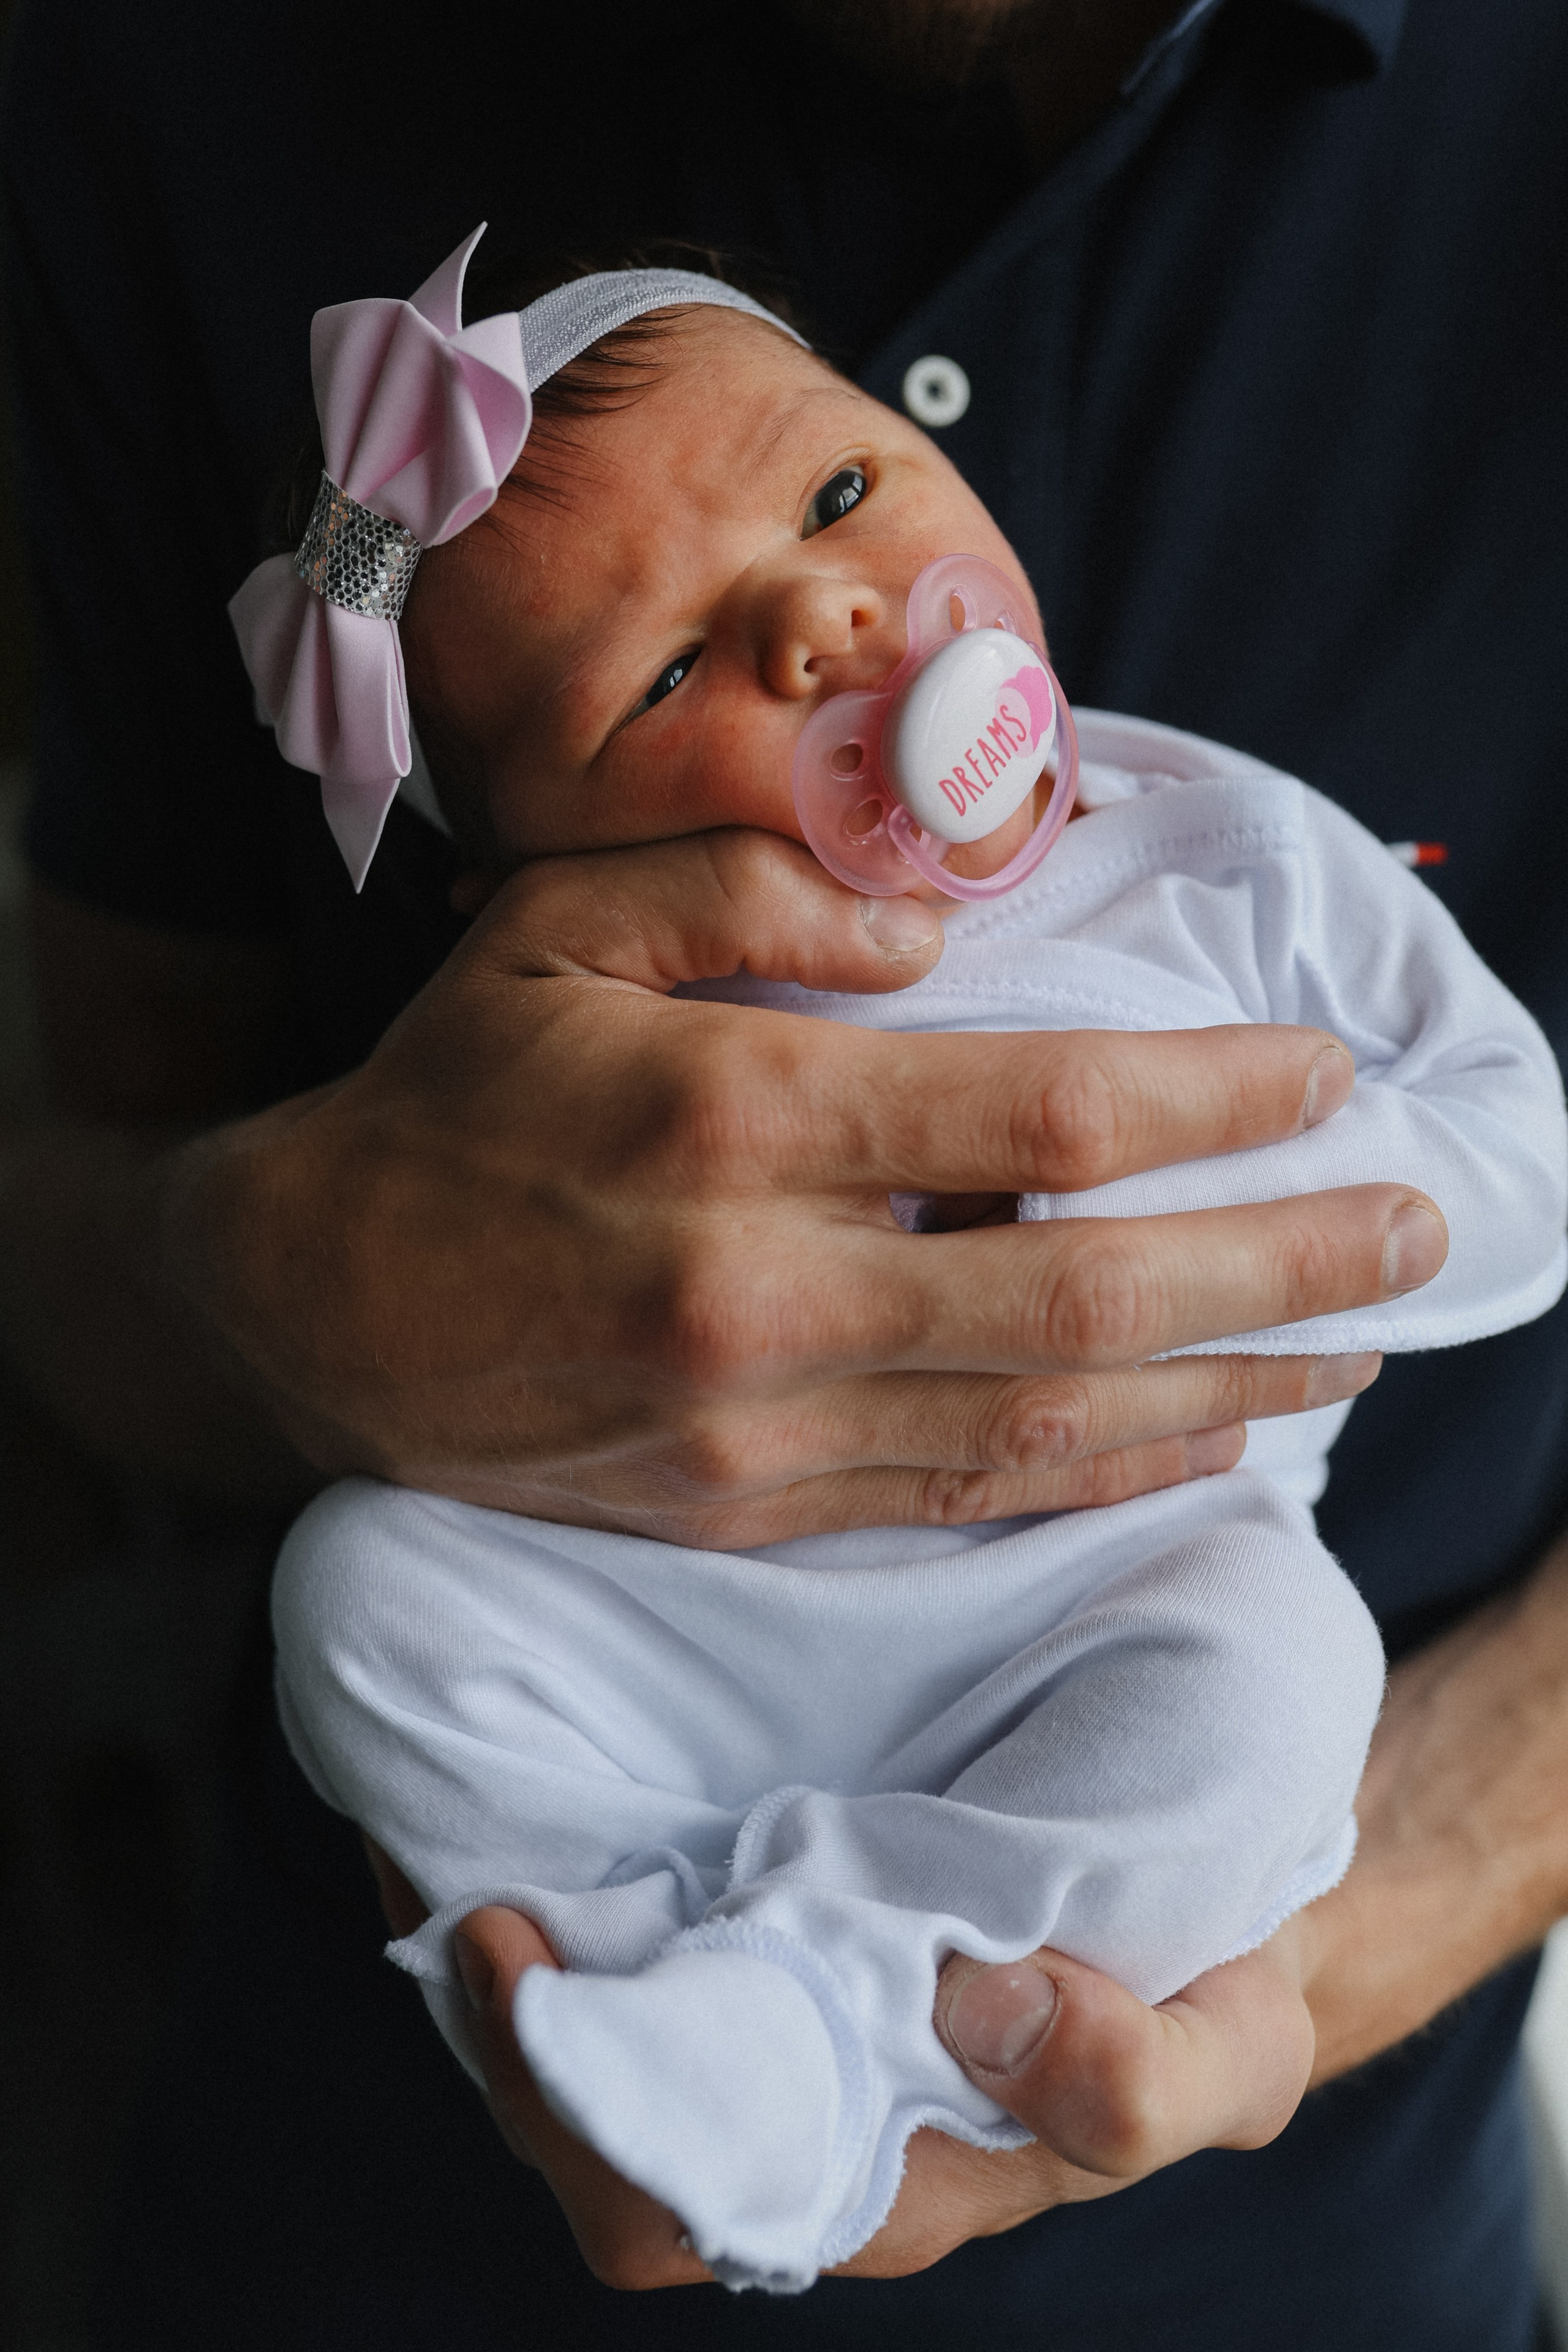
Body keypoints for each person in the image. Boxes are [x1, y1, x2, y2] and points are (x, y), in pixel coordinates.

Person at [1, 1, 1566, 2345]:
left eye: (837, 499)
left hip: (1131, 1668)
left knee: (1271, 1686)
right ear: (518, 856)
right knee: (370, 1604)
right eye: (663, 683)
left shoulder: (1214, 847)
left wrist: (1348, 1201)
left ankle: (823, 2012)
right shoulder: (541, 1004)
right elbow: (85, 1196)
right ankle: (621, 1989)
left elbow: (1507, 1124)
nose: (828, 620)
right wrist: (263, 1259)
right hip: (596, 1771)